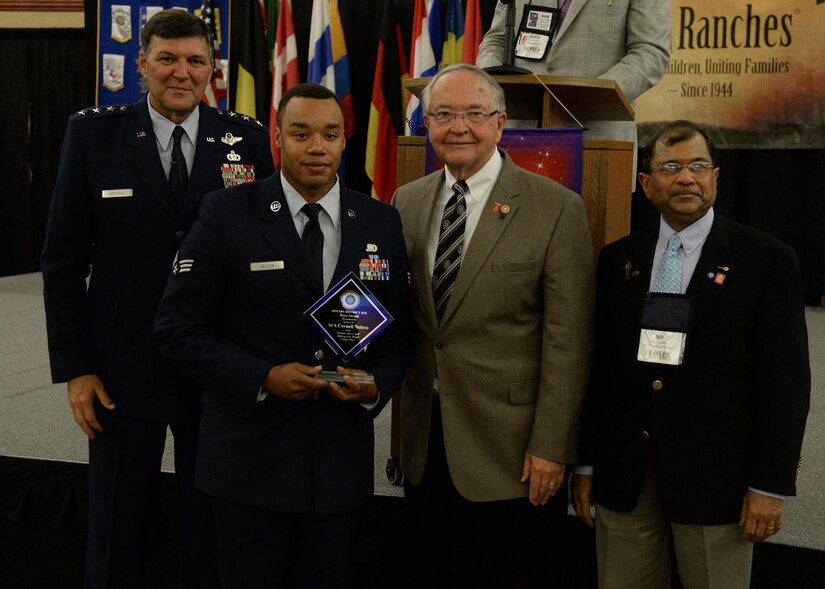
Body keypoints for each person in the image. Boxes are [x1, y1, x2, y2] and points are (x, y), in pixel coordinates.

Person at [40, 9, 274, 588]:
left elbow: (264, 259)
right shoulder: (94, 135)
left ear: (212, 69)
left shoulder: (246, 139)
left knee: (212, 524)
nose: (181, 72)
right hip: (121, 366)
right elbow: (63, 260)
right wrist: (76, 367)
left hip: (216, 365)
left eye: (195, 61)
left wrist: (258, 367)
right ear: (142, 64)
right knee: (116, 526)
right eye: (167, 59)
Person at [154, 83, 411, 588]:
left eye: (330, 135)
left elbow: (399, 335)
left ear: (344, 140)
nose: (317, 147)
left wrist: (375, 385)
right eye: (301, 133)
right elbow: (176, 329)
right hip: (248, 465)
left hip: (337, 467)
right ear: (277, 138)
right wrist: (262, 376)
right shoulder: (226, 212)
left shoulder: (380, 221)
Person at [571, 120, 810, 588]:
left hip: (719, 479)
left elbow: (786, 385)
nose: (686, 178)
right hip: (626, 473)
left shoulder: (766, 259)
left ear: (715, 178)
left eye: (698, 166)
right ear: (646, 184)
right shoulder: (618, 260)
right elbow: (601, 371)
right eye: (670, 168)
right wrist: (586, 462)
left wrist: (769, 484)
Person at [392, 63, 595, 586]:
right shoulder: (405, 202)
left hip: (515, 454)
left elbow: (569, 343)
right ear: (427, 124)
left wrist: (553, 446)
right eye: (443, 114)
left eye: (474, 114)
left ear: (500, 124)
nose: (458, 127)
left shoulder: (555, 208)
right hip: (426, 444)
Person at [477, 0, 671, 158]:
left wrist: (593, 94)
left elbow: (650, 52)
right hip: (516, 133)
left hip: (595, 137)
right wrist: (488, 89)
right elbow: (496, 41)